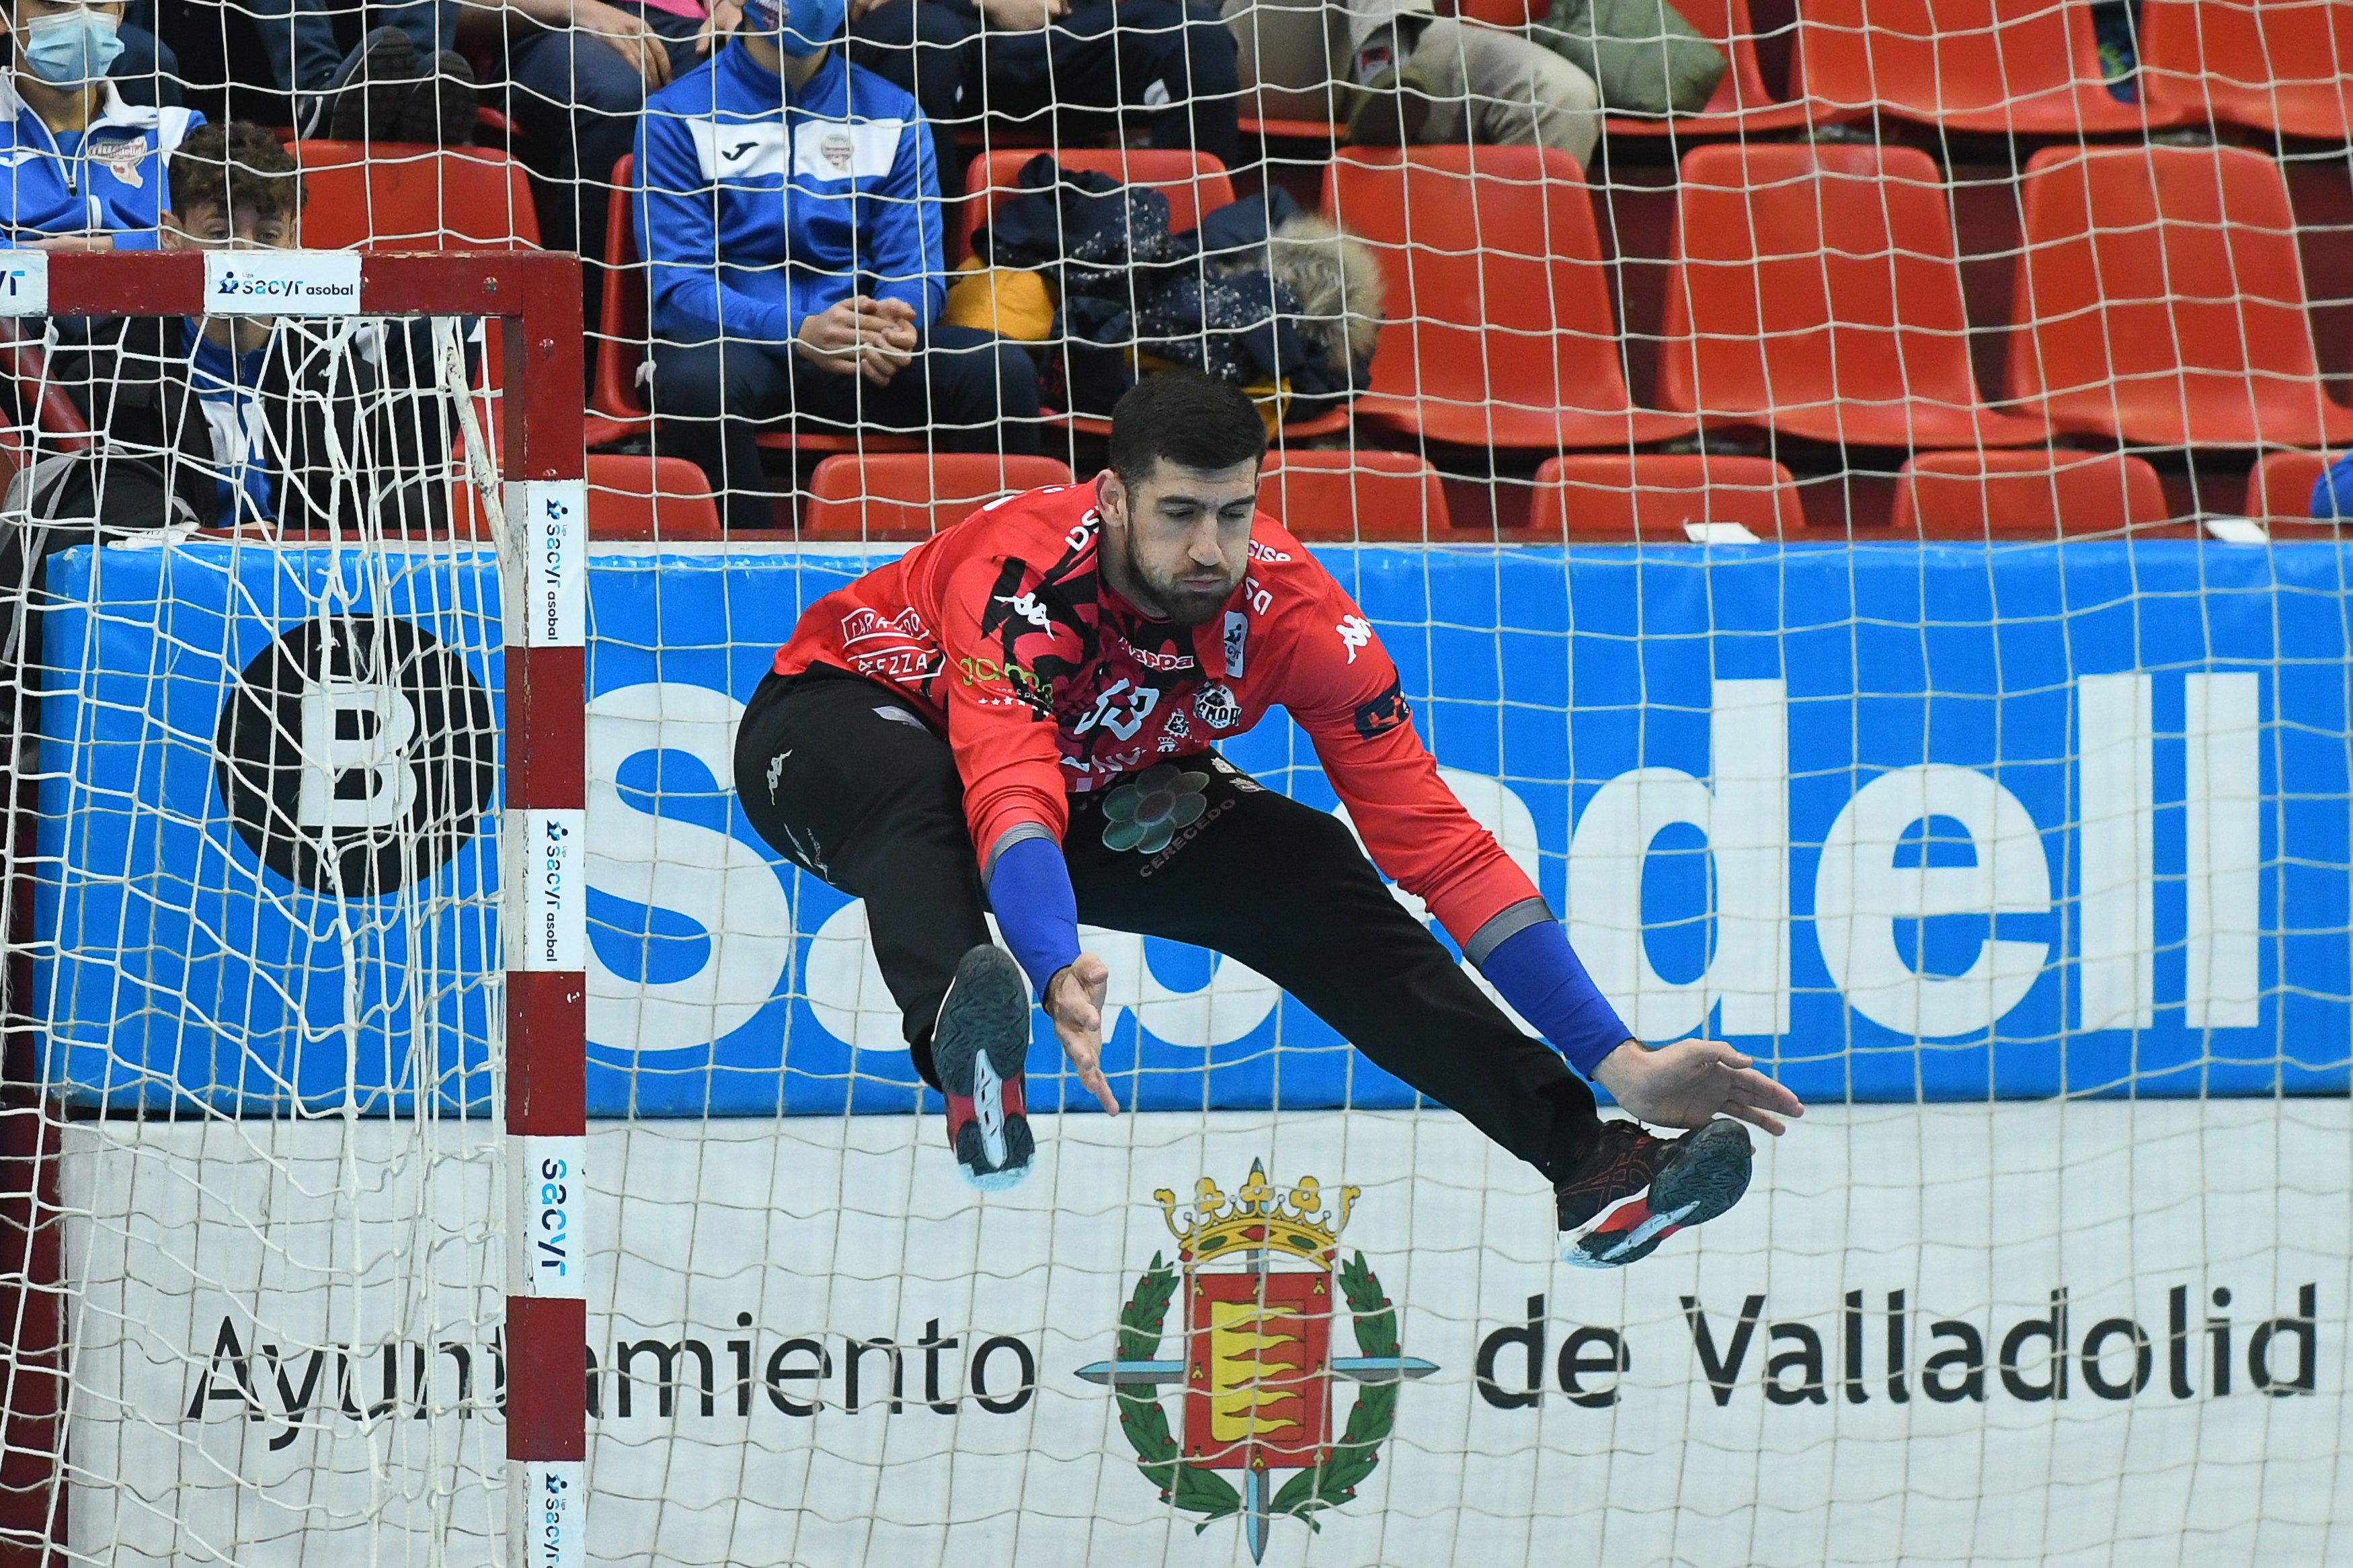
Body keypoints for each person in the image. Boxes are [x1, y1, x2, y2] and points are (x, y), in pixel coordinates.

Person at [731, 372, 1802, 1267]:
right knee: (922, 784)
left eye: (1234, 513)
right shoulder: (1018, 576)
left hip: (1096, 782)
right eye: (1181, 514)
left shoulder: (1299, 619)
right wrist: (1052, 959)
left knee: (1306, 866)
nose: (1211, 548)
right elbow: (1007, 787)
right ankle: (968, 1057)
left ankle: (1595, 1167)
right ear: (1111, 499)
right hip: (836, 735)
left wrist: (1623, 1058)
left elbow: (1442, 846)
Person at [635, 0, 1041, 531]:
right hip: (742, 348)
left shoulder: (894, 114)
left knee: (998, 367)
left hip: (860, 348)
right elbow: (679, 288)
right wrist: (797, 331)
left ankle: (992, 574)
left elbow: (916, 269)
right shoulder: (676, 115)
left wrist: (899, 319)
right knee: (697, 382)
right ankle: (746, 589)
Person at [37, 120, 451, 534]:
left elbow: (411, 522)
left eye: (268, 236)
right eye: (220, 234)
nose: (245, 255)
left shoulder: (357, 392)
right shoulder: (108, 381)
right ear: (171, 237)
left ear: (295, 238)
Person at [845, 0, 1242, 193]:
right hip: (939, 29)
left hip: (1068, 30)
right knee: (916, 38)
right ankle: (926, 287)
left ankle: (1190, 275)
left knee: (1196, 35)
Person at [1223, 0, 1601, 157]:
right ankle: (1383, 61)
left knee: (1559, 96)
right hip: (1253, 43)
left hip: (1399, 29)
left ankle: (1504, 296)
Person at [0, 0, 201, 251]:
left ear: (119, 12)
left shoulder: (179, 132)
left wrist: (57, 251)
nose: (81, 22)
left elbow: (216, 242)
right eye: (53, 4)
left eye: (96, 3)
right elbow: (178, 244)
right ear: (4, 17)